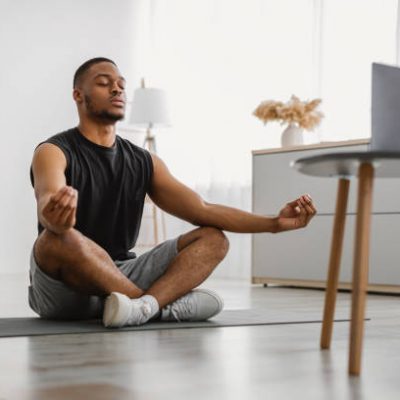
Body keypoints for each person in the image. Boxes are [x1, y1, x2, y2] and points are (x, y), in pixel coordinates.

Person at [29, 57, 317, 328]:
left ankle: (136, 307)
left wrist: (274, 224)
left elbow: (203, 210)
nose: (117, 88)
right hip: (66, 290)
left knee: (213, 238)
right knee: (55, 240)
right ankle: (153, 306)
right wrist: (57, 219)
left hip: (122, 272)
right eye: (104, 82)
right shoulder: (53, 151)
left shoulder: (144, 161)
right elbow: (48, 201)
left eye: (121, 84)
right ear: (78, 95)